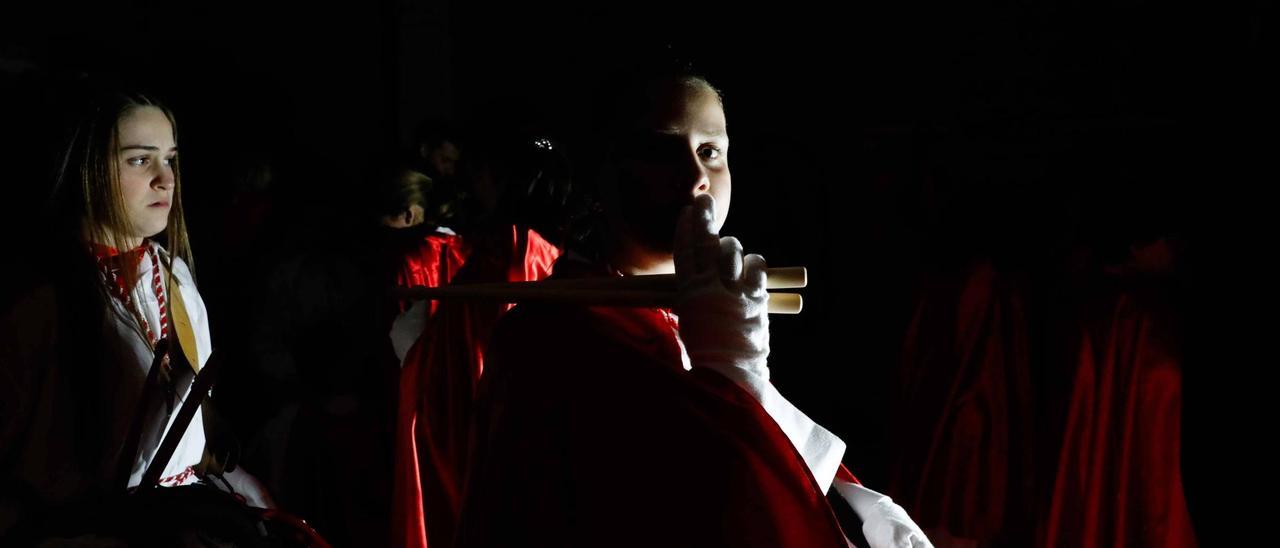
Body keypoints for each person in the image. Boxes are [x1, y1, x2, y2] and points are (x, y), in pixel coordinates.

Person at [454, 69, 932, 548]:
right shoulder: (546, 339)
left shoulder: (704, 311)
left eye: (711, 151)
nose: (696, 177)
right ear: (602, 170)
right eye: (661, 151)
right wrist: (733, 370)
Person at [0, 90, 272, 544]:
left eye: (171, 159)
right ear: (85, 169)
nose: (166, 180)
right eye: (140, 161)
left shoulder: (175, 277)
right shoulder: (37, 301)